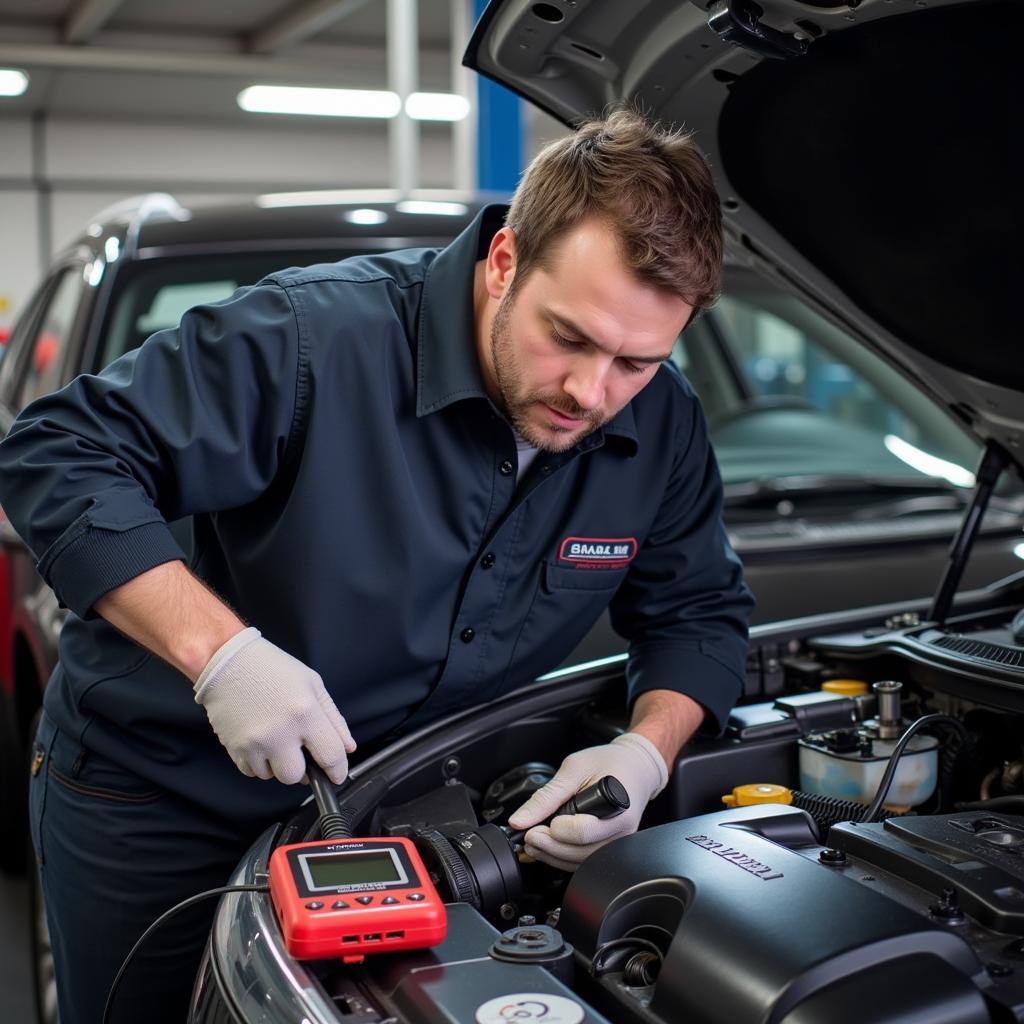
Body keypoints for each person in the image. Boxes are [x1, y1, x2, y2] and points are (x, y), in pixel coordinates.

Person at [0, 107, 753, 1023]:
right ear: (506, 260)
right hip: (163, 805)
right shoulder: (311, 339)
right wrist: (221, 655)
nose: (591, 393)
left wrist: (644, 752)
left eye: (636, 361)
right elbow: (57, 450)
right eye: (570, 336)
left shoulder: (662, 420)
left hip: (413, 817)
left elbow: (698, 614)